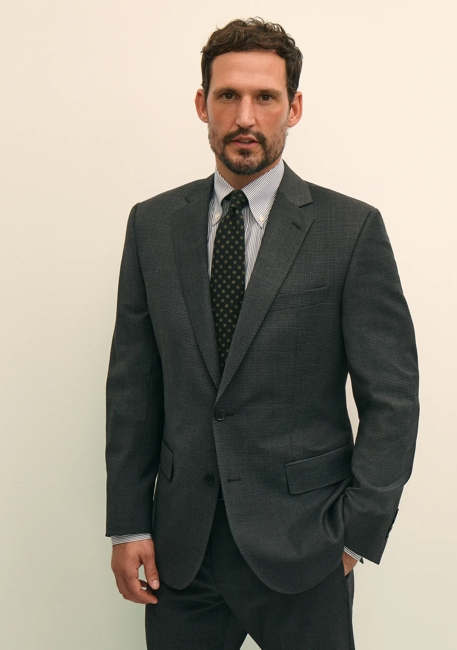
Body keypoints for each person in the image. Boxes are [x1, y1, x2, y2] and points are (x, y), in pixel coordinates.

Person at [106, 17, 419, 650]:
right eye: (228, 95)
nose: (245, 116)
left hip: (307, 547)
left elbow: (392, 398)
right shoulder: (153, 225)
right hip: (182, 552)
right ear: (203, 104)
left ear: (293, 108)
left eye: (265, 97)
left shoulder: (350, 230)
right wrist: (129, 524)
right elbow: (133, 387)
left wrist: (356, 533)